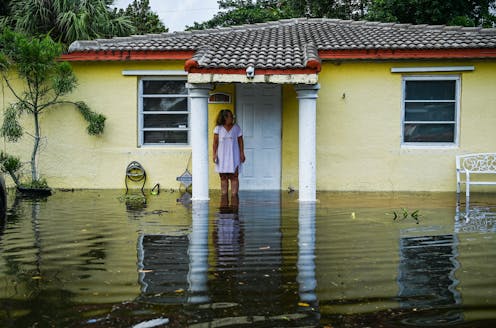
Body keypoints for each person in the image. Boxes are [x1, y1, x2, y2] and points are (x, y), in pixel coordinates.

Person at [213, 109, 245, 197]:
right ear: (225, 118)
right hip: (221, 156)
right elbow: (215, 143)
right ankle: (224, 197)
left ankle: (234, 198)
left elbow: (240, 141)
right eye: (231, 116)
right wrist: (214, 154)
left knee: (234, 176)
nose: (232, 118)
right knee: (223, 177)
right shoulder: (218, 129)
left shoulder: (236, 128)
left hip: (234, 155)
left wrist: (242, 153)